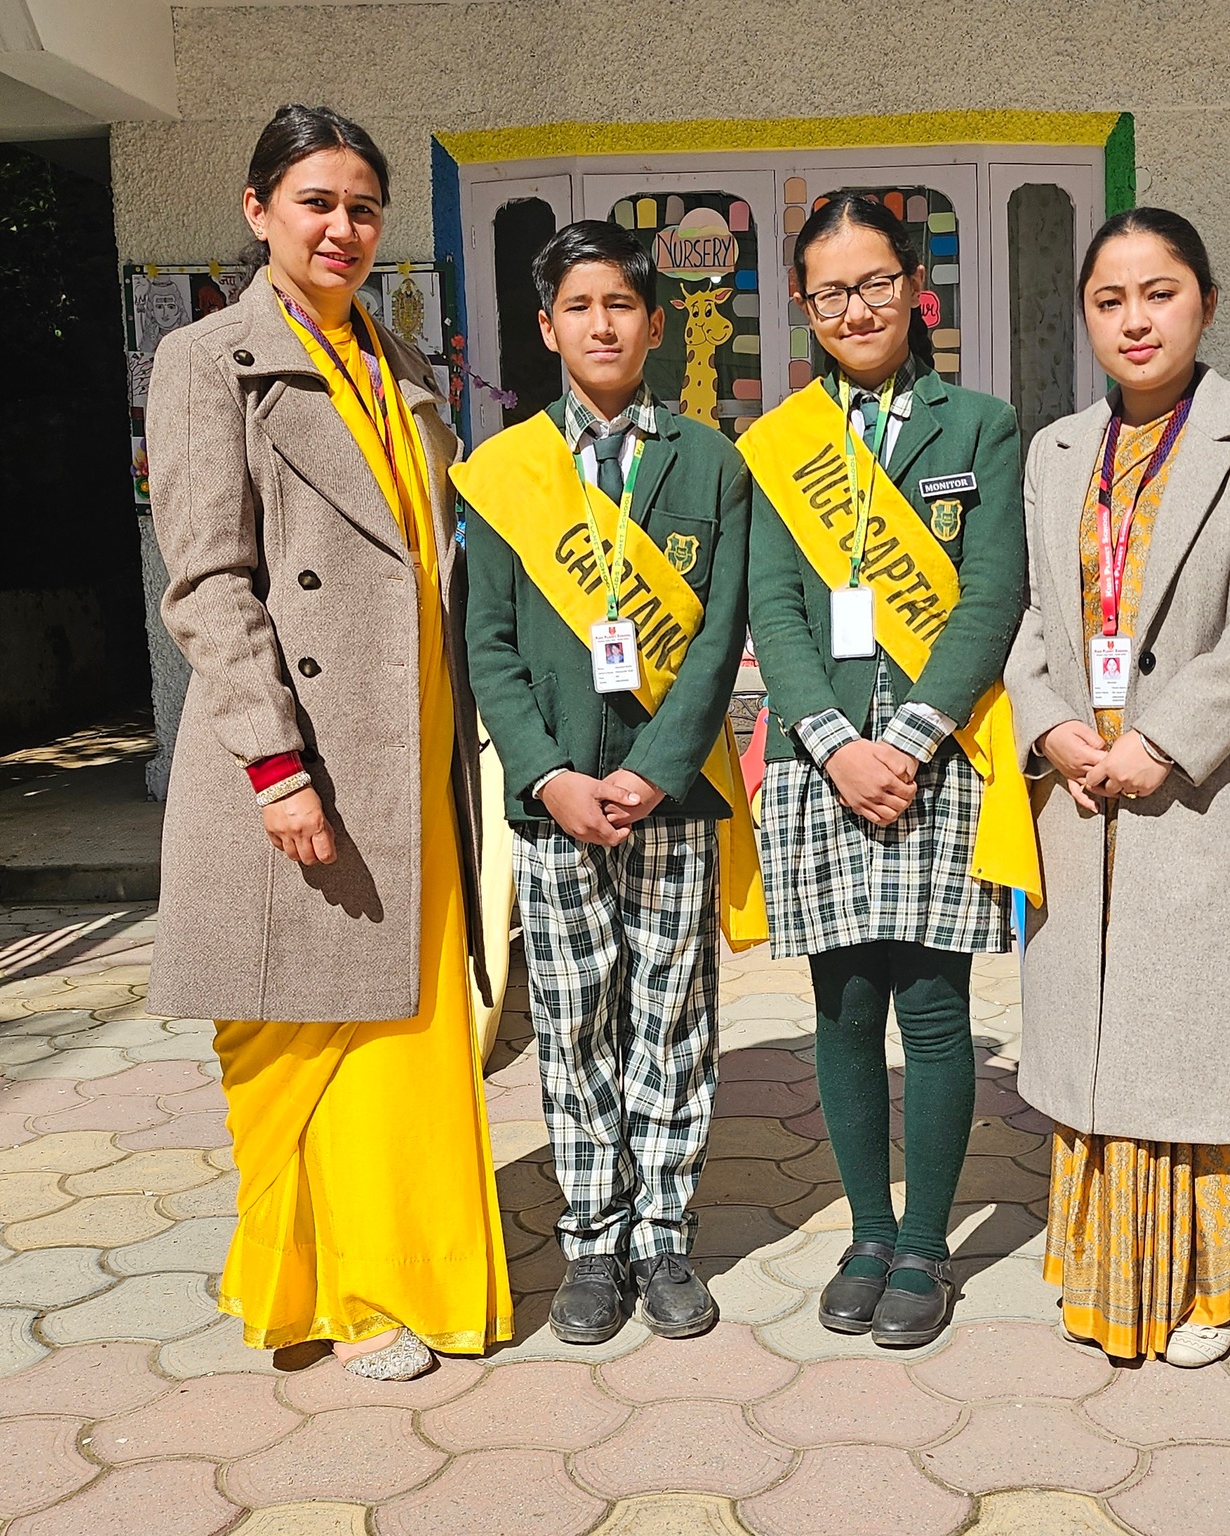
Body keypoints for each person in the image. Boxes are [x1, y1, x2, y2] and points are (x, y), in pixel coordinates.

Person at [145, 104, 513, 1380]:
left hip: (410, 753)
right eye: (316, 201)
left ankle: (399, 1277)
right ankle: (329, 1291)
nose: (342, 228)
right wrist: (273, 762)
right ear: (257, 211)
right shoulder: (208, 362)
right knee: (292, 1034)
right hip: (298, 760)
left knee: (400, 1036)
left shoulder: (404, 369)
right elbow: (206, 582)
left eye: (362, 207)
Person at [1004, 207, 1230, 1368]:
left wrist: (1163, 740)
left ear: (1204, 300)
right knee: (1101, 1047)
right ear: (1085, 316)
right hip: (1082, 796)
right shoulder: (1054, 453)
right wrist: (1048, 730)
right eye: (1109, 299)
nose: (1134, 319)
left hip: (1206, 786)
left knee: (1202, 1052)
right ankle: (1104, 1276)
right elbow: (1032, 619)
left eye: (1159, 293)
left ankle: (1207, 1288)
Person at [455, 220, 762, 1345]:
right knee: (575, 1021)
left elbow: (723, 628)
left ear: (653, 320)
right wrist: (546, 776)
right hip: (553, 809)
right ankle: (591, 1240)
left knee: (671, 1021)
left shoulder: (709, 463)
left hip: (667, 802)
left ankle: (663, 1234)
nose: (600, 323)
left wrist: (651, 771)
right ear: (545, 328)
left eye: (619, 305)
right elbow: (483, 643)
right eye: (577, 307)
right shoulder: (502, 473)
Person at [741, 192, 1038, 1349]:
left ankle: (925, 1247)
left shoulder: (979, 426)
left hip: (937, 755)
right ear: (804, 307)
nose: (853, 309)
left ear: (916, 286)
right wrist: (830, 743)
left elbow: (990, 594)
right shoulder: (781, 442)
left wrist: (905, 741)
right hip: (823, 762)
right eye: (828, 292)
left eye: (874, 283)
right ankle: (865, 1231)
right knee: (841, 1002)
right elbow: (773, 602)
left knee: (930, 1002)